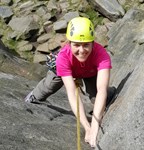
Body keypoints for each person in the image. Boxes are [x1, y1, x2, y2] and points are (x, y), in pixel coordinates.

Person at [25, 17, 116, 148]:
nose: (81, 50)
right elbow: (73, 92)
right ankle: (34, 95)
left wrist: (95, 125)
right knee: (48, 87)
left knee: (99, 97)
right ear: (70, 43)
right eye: (77, 45)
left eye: (86, 44)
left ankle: (110, 91)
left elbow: (101, 89)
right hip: (65, 70)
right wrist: (87, 127)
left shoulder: (101, 54)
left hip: (89, 72)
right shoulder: (63, 56)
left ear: (92, 42)